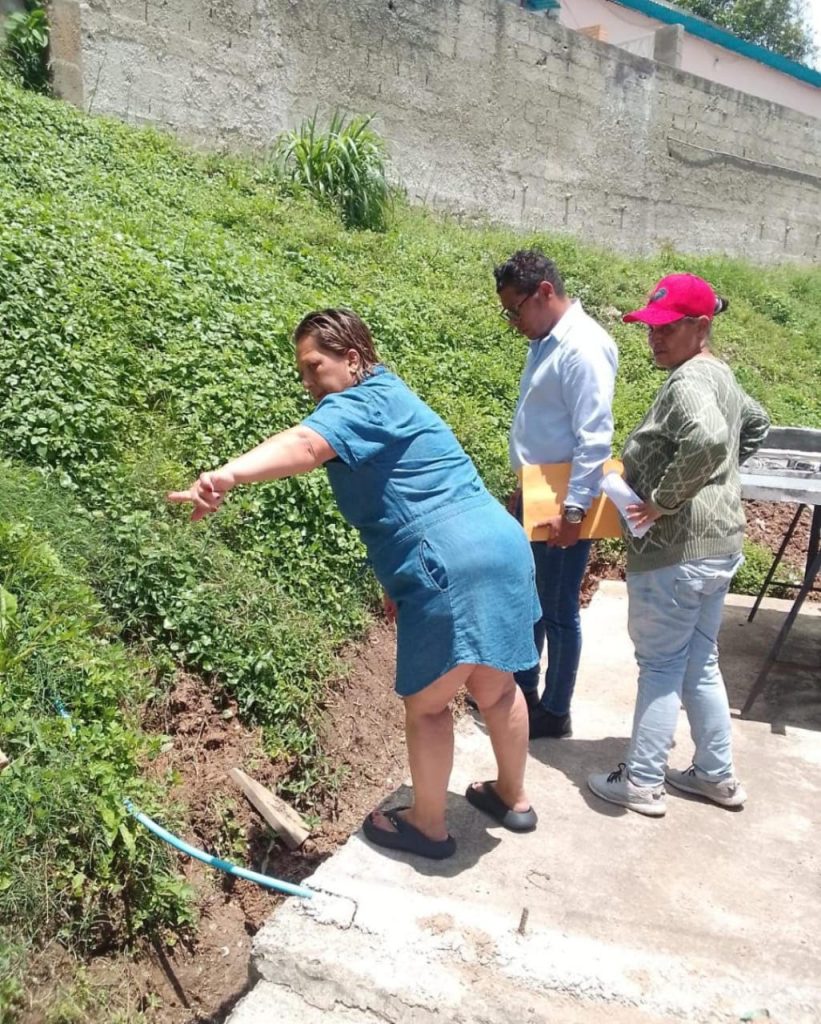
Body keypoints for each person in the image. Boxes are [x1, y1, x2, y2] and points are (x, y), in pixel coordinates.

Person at [168, 309, 541, 859]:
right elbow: (399, 493)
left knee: (430, 707)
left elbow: (305, 445)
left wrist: (226, 475)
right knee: (496, 685)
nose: (307, 382)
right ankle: (513, 797)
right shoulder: (391, 395)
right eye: (301, 372)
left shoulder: (358, 402)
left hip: (451, 562)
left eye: (314, 366)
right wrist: (397, 577)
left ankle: (427, 826)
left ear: (352, 357)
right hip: (498, 544)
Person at [587, 274, 770, 816]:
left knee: (662, 666)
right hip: (718, 544)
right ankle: (717, 775)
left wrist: (666, 499)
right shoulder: (720, 375)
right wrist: (718, 482)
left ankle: (642, 782)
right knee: (700, 662)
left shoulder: (689, 381)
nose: (656, 339)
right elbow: (753, 425)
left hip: (677, 548)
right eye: (652, 329)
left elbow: (711, 438)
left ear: (701, 327)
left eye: (668, 329)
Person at [494, 250, 618, 740]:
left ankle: (554, 709)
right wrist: (520, 489)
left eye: (516, 309)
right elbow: (543, 426)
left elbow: (594, 438)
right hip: (537, 491)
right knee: (531, 599)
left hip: (566, 501)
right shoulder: (546, 341)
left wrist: (574, 512)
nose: (513, 321)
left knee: (559, 607)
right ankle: (523, 693)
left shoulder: (583, 347)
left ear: (545, 292)